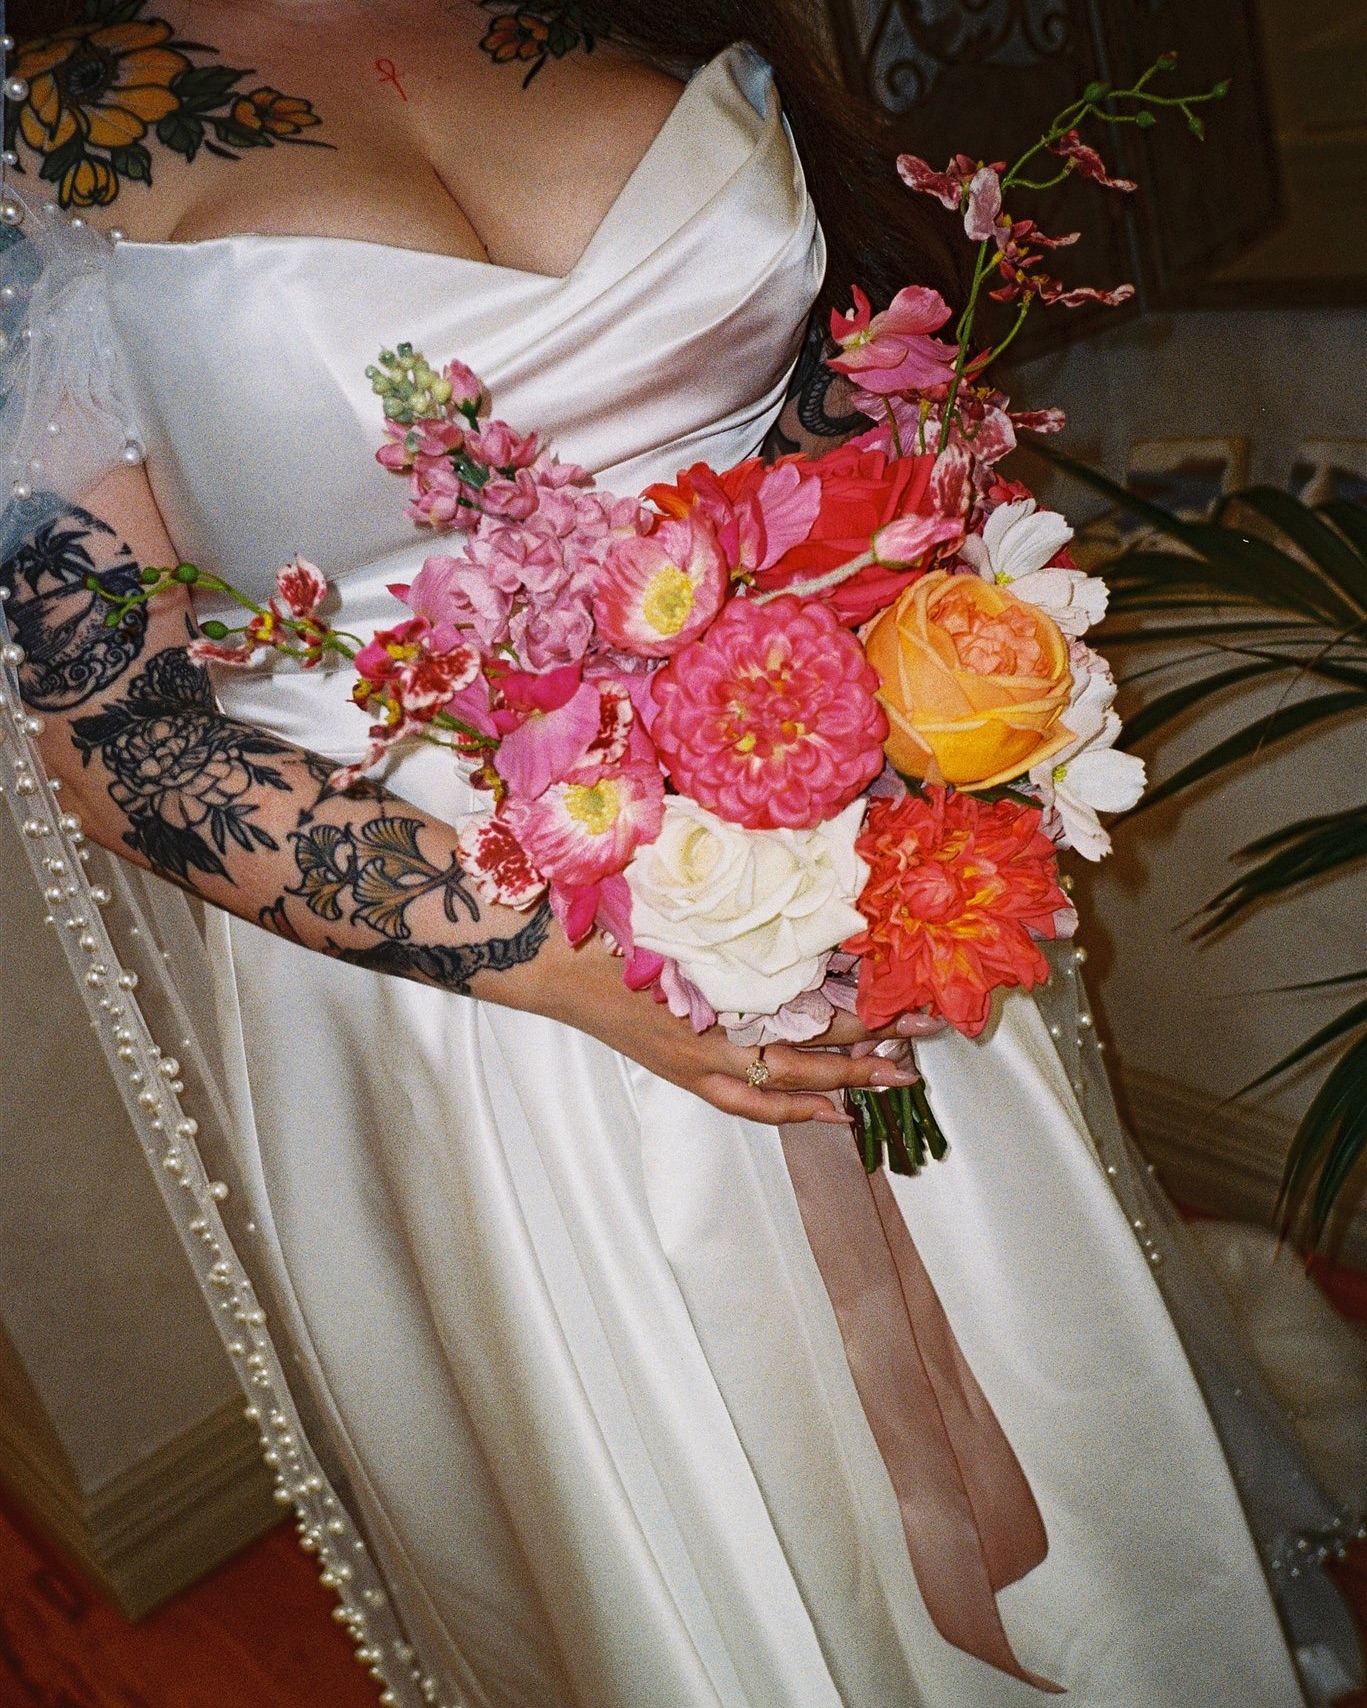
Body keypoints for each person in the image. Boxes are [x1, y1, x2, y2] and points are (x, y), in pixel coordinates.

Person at [0, 2, 1326, 1702]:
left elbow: (823, 427)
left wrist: (914, 718)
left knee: (1028, 1354)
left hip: (846, 863)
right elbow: (120, 737)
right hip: (469, 993)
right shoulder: (47, 122)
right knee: (684, 1458)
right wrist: (601, 973)